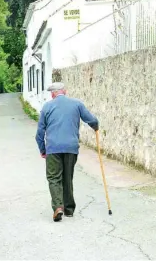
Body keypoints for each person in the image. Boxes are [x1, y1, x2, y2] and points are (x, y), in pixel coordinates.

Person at [35, 82, 99, 222]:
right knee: (67, 177)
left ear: (53, 94)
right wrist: (96, 126)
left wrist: (42, 149)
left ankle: (58, 207)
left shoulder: (47, 107)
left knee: (54, 178)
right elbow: (92, 120)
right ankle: (69, 209)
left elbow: (40, 133)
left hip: (53, 148)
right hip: (71, 147)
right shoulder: (77, 104)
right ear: (65, 91)